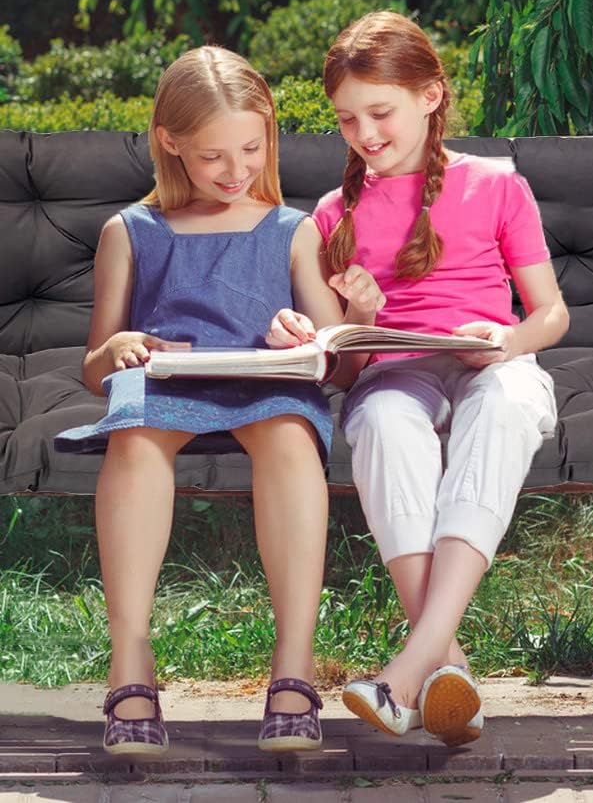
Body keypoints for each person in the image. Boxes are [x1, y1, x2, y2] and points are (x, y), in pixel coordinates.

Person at [55, 46, 384, 756]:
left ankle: (294, 665)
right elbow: (94, 366)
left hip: (267, 384)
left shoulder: (292, 230)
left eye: (251, 149)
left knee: (292, 441)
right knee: (134, 443)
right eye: (213, 157)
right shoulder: (130, 232)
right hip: (166, 383)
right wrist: (118, 349)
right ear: (170, 142)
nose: (236, 171)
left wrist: (338, 324)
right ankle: (130, 660)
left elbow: (339, 364)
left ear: (269, 136)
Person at [312, 11, 570, 747]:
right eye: (347, 119)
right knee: (381, 422)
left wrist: (509, 338)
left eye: (380, 112)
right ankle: (442, 666)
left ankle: (410, 673)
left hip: (490, 364)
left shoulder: (496, 185)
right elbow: (345, 370)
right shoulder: (333, 213)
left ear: (430, 96)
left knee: (508, 404)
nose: (365, 134)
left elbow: (551, 313)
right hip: (395, 373)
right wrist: (358, 312)